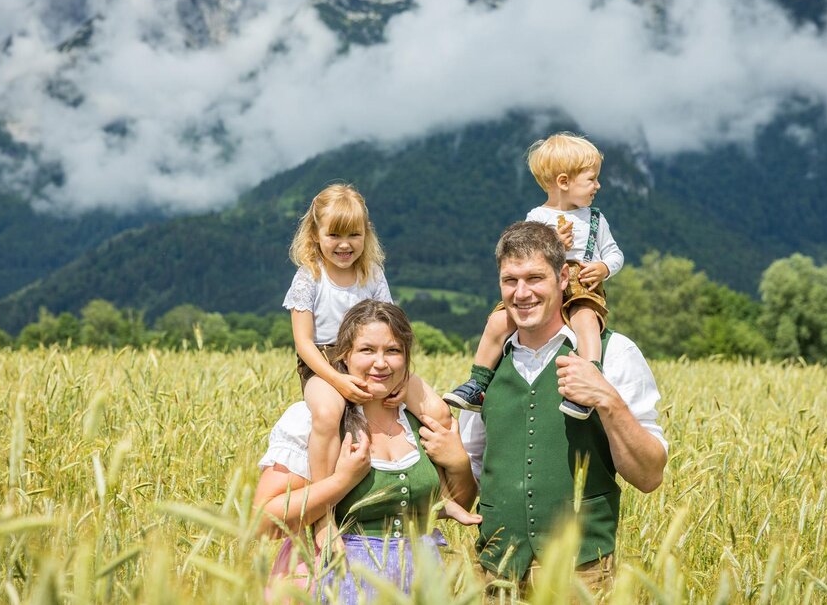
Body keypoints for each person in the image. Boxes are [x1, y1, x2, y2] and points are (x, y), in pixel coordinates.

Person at [458, 221, 667, 594]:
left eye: (535, 278)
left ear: (563, 276)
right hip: (496, 574)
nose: (522, 293)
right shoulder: (489, 366)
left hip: (582, 577)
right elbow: (470, 476)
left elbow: (650, 476)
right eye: (510, 280)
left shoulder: (615, 353)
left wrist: (606, 398)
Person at [256, 300, 478, 602]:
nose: (381, 363)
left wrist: (459, 462)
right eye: (367, 350)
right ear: (344, 356)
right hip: (344, 582)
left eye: (393, 351)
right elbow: (262, 523)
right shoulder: (314, 420)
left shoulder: (418, 419)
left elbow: (456, 504)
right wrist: (341, 481)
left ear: (407, 357)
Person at [283, 184, 451, 512]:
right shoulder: (309, 277)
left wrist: (402, 377)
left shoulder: (372, 273)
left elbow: (391, 326)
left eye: (354, 235)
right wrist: (338, 380)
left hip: (376, 356)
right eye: (334, 235)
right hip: (325, 361)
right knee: (329, 413)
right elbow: (303, 342)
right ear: (315, 235)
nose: (345, 245)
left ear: (366, 234)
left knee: (437, 410)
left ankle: (437, 495)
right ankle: (323, 509)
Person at [445, 133, 624, 420]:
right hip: (541, 283)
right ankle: (478, 382)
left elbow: (614, 253)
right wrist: (554, 247)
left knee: (586, 319)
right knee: (497, 320)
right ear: (564, 182)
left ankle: (591, 380)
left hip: (581, 286)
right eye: (591, 179)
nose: (598, 186)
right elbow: (524, 256)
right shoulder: (537, 217)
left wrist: (604, 268)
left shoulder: (595, 219)